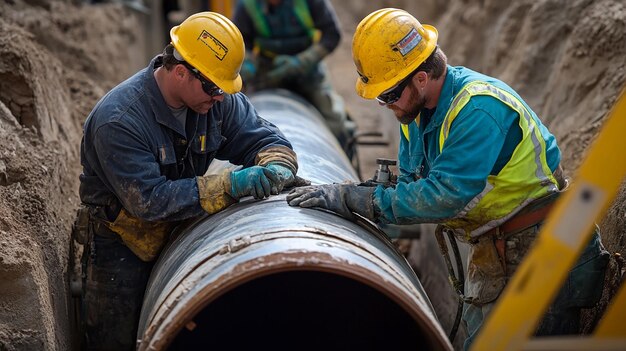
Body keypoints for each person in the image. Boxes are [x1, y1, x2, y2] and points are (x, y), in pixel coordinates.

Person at [287, 8, 609, 350]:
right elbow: (411, 184)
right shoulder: (415, 112)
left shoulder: (477, 109)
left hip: (544, 247)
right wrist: (358, 193)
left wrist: (357, 200)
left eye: (389, 95)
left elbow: (445, 194)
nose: (385, 105)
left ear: (421, 78)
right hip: (494, 246)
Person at [75, 12, 305, 350]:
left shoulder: (215, 100)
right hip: (125, 242)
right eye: (214, 88)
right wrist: (230, 185)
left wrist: (277, 165)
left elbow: (264, 139)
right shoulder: (119, 121)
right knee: (117, 339)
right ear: (180, 72)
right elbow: (149, 201)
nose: (221, 98)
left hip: (185, 226)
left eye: (225, 89)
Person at [232, 0, 355, 159]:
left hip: (308, 72)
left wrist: (302, 62)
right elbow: (242, 41)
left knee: (336, 122)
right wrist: (248, 66)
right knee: (240, 118)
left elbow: (332, 34)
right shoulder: (247, 5)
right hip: (269, 72)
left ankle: (346, 158)